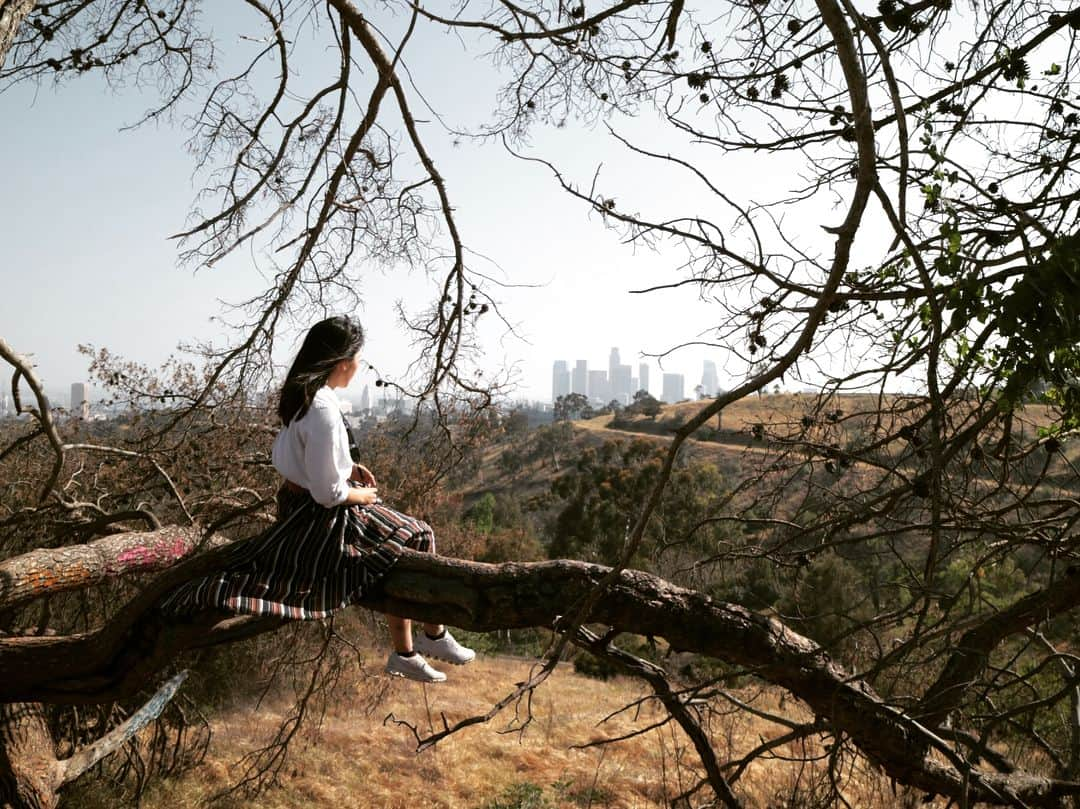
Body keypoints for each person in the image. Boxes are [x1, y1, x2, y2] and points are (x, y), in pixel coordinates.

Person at [161, 315, 474, 683]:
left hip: (297, 507)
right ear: (343, 362)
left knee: (408, 539)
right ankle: (423, 641)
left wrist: (348, 466)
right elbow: (329, 494)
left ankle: (415, 647)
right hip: (320, 521)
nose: (360, 366)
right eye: (358, 358)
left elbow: (300, 455)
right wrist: (362, 494)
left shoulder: (304, 395)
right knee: (418, 534)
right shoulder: (323, 409)